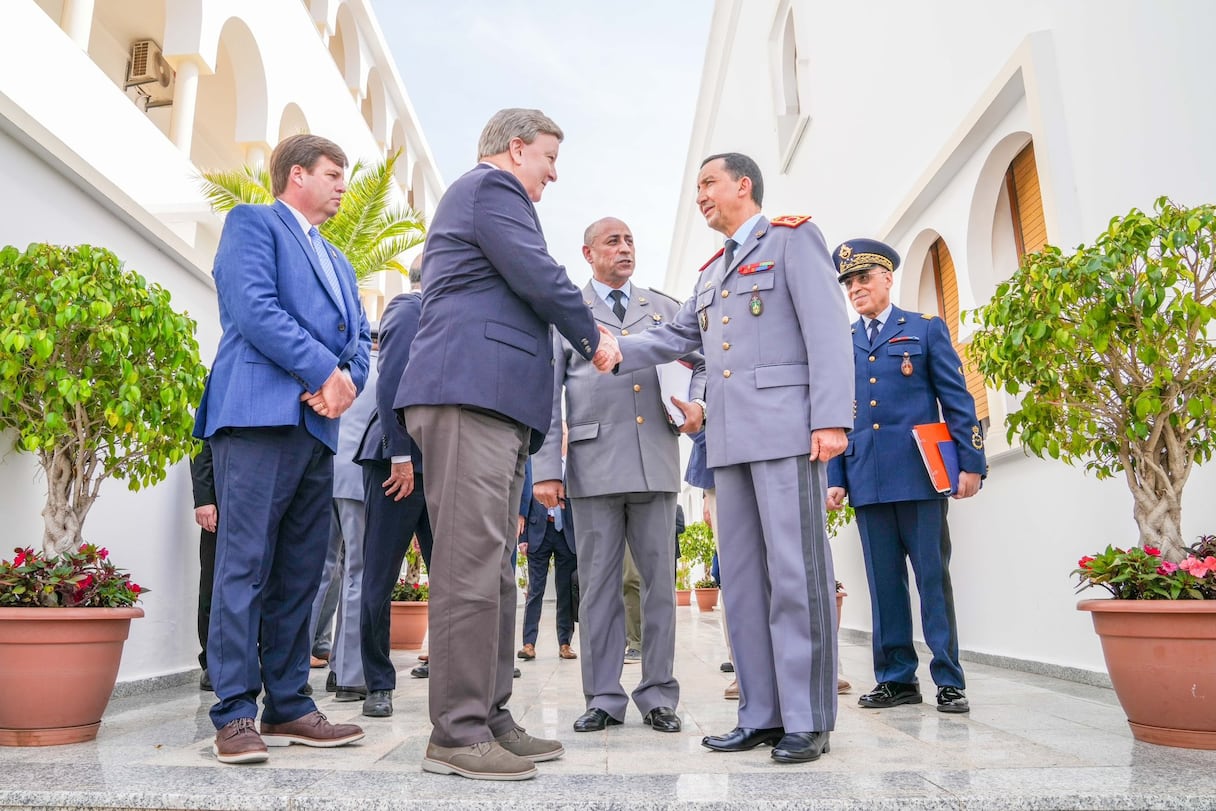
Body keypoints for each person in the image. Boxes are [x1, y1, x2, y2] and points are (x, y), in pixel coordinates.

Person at [600, 152, 853, 764]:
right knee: (739, 581)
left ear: (744, 185)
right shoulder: (712, 271)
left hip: (788, 433)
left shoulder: (794, 240)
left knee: (796, 574)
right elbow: (679, 335)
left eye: (709, 183)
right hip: (730, 442)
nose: (701, 196)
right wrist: (614, 347)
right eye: (697, 187)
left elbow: (827, 329)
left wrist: (831, 418)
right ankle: (760, 714)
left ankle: (808, 716)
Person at [396, 108, 616, 782]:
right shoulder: (491, 190)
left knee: (492, 568)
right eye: (549, 156)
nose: (554, 170)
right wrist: (596, 335)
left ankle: (489, 716)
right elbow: (541, 275)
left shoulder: (493, 197)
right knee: (469, 565)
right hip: (468, 393)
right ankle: (457, 732)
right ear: (516, 148)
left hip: (494, 402)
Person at [193, 133, 371, 765]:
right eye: (333, 173)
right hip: (257, 419)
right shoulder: (254, 224)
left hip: (317, 430)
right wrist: (324, 370)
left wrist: (346, 384)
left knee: (300, 571)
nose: (343, 184)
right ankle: (236, 712)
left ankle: (290, 704)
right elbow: (254, 308)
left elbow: (363, 342)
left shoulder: (342, 262)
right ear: (297, 175)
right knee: (243, 566)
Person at [533, 216, 705, 736]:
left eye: (630, 239)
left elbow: (699, 363)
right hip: (592, 464)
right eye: (613, 241)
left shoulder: (665, 307)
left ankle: (657, 694)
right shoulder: (568, 312)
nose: (625, 248)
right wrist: (546, 471)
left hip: (654, 459)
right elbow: (547, 394)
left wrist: (697, 407)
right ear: (588, 254)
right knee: (598, 586)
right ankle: (604, 697)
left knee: (658, 586)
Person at [825, 238, 986, 714]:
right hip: (867, 479)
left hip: (921, 477)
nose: (856, 288)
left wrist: (971, 464)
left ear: (887, 278)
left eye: (863, 279)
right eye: (849, 283)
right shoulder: (842, 343)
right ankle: (896, 678)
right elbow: (838, 415)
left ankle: (948, 679)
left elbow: (957, 400)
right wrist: (836, 474)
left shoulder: (924, 329)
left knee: (933, 579)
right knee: (883, 583)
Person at [355, 254, 432, 717]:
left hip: (437, 465)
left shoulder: (446, 314)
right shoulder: (407, 307)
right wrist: (401, 455)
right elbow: (391, 385)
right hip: (395, 462)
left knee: (449, 575)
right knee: (379, 576)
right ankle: (378, 684)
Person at [518, 428, 577, 662]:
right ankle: (529, 643)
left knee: (565, 592)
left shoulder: (574, 466)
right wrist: (523, 539)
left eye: (564, 433)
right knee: (535, 590)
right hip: (538, 532)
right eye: (558, 433)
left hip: (566, 534)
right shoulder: (534, 463)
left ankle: (565, 643)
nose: (561, 437)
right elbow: (524, 497)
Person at [189, 439, 217, 692]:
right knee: (212, 582)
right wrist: (204, 498)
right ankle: (211, 663)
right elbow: (199, 442)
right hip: (219, 502)